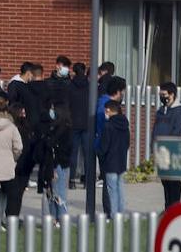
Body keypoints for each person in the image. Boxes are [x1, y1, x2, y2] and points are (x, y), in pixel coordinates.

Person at [153, 81, 181, 209]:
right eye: (160, 94)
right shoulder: (162, 110)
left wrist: (167, 146)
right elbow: (156, 128)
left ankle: (174, 207)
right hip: (161, 152)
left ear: (172, 94)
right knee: (165, 183)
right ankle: (168, 207)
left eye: (164, 94)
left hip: (172, 153)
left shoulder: (179, 111)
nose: (161, 96)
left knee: (173, 184)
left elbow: (178, 130)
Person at [95, 76, 127, 214]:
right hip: (116, 152)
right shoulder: (108, 107)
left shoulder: (103, 104)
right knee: (116, 185)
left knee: (111, 186)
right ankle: (115, 212)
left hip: (108, 151)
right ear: (118, 91)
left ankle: (111, 213)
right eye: (123, 91)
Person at [40, 98, 73, 223]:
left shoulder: (59, 129)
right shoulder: (67, 127)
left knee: (57, 192)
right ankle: (56, 218)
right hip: (62, 163)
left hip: (57, 163)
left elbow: (51, 145)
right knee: (56, 192)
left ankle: (59, 217)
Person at [98, 100, 130, 215]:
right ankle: (121, 213)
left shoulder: (108, 126)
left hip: (110, 162)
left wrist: (99, 153)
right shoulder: (125, 125)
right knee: (120, 188)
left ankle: (113, 215)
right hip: (121, 161)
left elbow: (104, 146)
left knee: (112, 190)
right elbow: (127, 144)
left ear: (108, 110)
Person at [9, 102, 37, 212]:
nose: (24, 115)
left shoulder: (25, 127)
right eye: (22, 113)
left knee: (18, 194)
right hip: (18, 164)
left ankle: (13, 215)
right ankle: (12, 215)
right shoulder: (16, 128)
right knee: (15, 194)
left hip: (24, 164)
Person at [68, 62, 90, 190]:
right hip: (87, 123)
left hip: (73, 122)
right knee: (87, 153)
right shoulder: (90, 86)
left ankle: (72, 180)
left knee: (73, 152)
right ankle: (87, 180)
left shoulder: (70, 85)